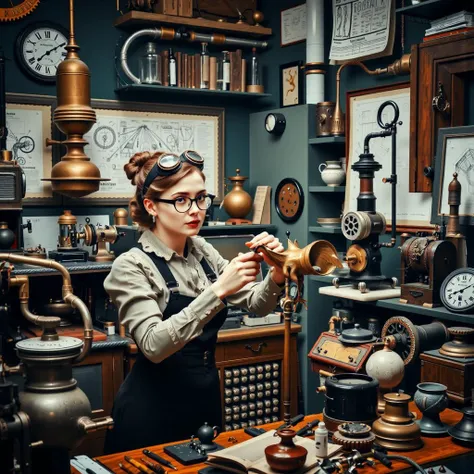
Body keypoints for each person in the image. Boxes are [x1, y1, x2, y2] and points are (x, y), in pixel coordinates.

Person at [103, 149, 286, 454]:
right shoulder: (131, 265)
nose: (196, 210)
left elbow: (257, 303)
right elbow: (153, 345)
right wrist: (217, 292)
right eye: (181, 200)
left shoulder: (201, 249)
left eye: (201, 198)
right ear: (151, 206)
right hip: (152, 410)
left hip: (205, 402)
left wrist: (277, 272)